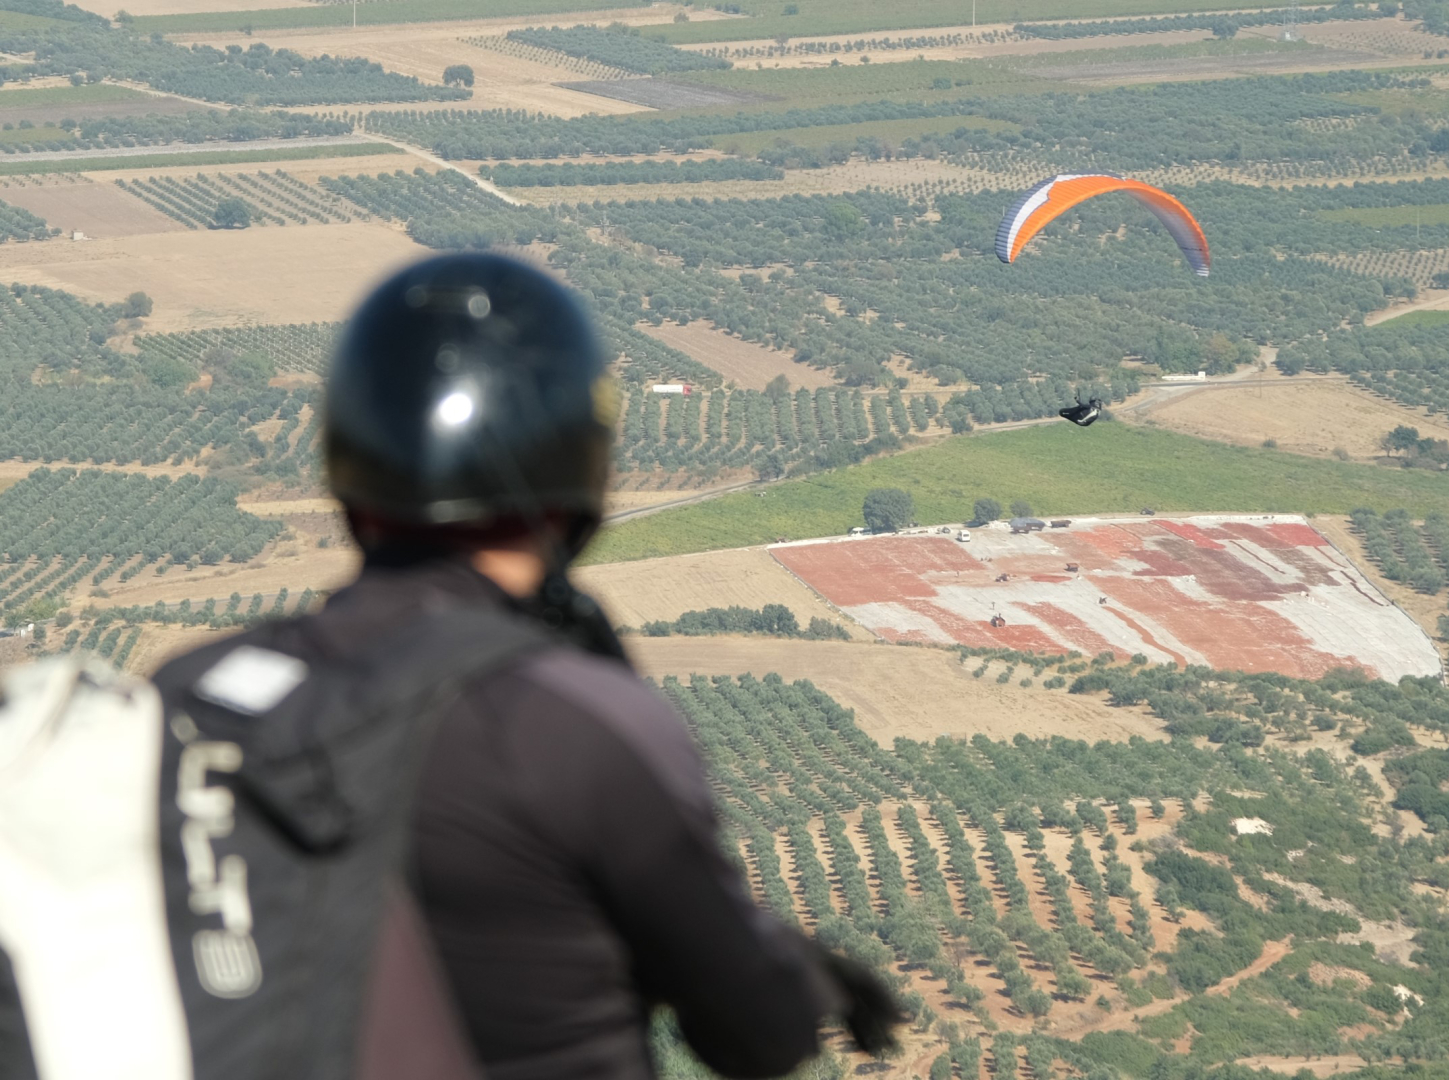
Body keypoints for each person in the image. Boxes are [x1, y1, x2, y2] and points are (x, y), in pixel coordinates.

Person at [160, 252, 900, 1080]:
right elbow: (759, 1040)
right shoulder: (575, 727)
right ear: (577, 469)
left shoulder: (180, 698)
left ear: (347, 461)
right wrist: (792, 973)